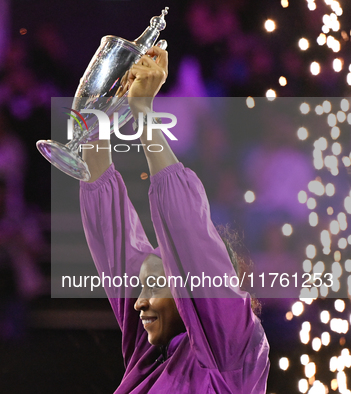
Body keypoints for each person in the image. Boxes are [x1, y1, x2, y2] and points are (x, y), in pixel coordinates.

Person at [79, 45, 269, 393]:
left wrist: (144, 114)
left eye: (153, 287)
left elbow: (187, 228)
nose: (137, 301)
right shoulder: (149, 350)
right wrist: (97, 117)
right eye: (143, 286)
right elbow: (109, 225)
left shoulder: (233, 349)